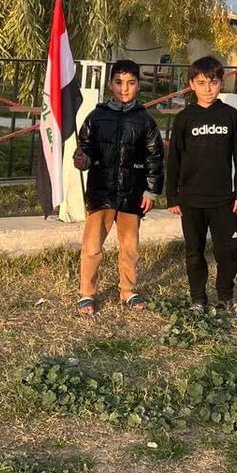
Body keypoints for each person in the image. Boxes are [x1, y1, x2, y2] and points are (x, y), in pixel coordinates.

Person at [73, 59, 164, 316]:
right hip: (101, 191)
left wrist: (151, 190)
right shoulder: (97, 116)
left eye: (131, 83)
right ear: (110, 84)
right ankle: (87, 293)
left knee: (130, 247)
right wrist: (83, 160)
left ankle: (128, 290)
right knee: (92, 247)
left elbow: (154, 159)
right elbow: (86, 149)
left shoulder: (145, 120)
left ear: (138, 86)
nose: (124, 89)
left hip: (132, 194)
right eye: (119, 82)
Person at [166, 55, 237, 313]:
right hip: (191, 199)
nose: (207, 88)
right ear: (191, 84)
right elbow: (174, 159)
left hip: (223, 199)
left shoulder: (230, 116)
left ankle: (225, 296)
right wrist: (173, 196)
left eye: (212, 82)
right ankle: (198, 299)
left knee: (227, 251)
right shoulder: (184, 118)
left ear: (221, 83)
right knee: (194, 251)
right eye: (201, 82)